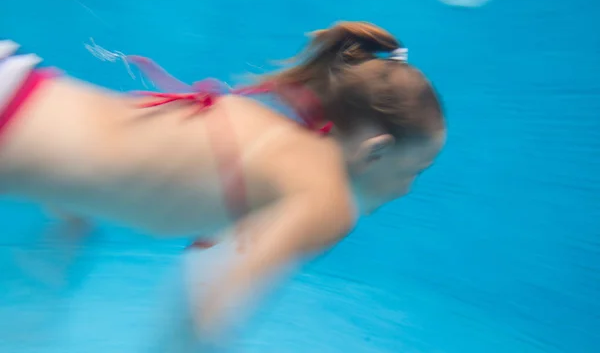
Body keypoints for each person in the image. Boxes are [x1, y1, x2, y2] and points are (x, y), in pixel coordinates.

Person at [0, 21, 446, 336]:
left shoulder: (273, 135)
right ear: (377, 151)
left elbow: (119, 154)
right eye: (414, 172)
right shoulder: (325, 194)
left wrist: (61, 241)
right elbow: (205, 312)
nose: (409, 189)